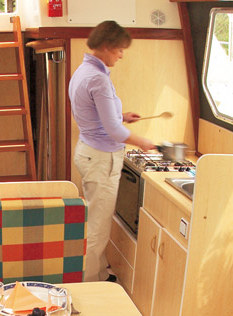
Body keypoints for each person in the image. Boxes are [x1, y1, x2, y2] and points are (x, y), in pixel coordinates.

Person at [69, 20, 156, 283]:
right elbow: (114, 131)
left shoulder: (84, 71)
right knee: (98, 225)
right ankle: (91, 283)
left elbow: (94, 114)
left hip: (88, 150)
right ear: (106, 46)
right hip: (101, 158)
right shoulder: (98, 79)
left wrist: (121, 115)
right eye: (119, 50)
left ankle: (99, 272)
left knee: (96, 219)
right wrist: (143, 142)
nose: (121, 55)